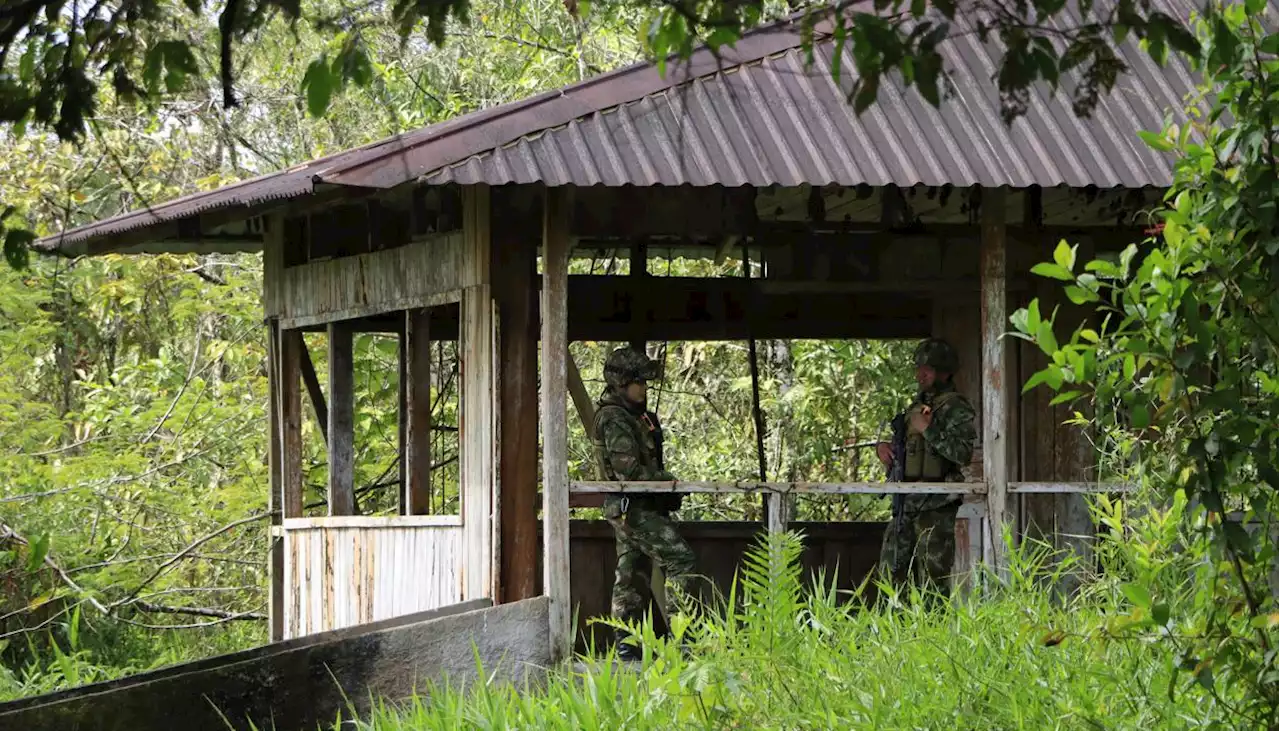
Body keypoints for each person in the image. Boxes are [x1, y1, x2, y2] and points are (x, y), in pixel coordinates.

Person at [592, 346, 695, 660]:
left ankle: (629, 645)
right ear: (622, 383)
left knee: (631, 572)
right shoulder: (613, 417)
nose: (646, 387)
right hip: (631, 506)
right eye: (640, 381)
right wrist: (667, 480)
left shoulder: (637, 418)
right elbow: (629, 471)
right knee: (681, 560)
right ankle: (684, 638)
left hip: (636, 506)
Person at [875, 337, 977, 600]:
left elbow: (962, 454)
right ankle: (893, 636)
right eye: (918, 368)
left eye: (927, 369)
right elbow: (910, 451)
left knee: (933, 582)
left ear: (944, 372)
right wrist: (887, 451)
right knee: (890, 576)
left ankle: (933, 637)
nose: (920, 374)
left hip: (935, 506)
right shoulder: (915, 408)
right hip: (905, 504)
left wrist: (929, 430)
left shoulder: (956, 407)